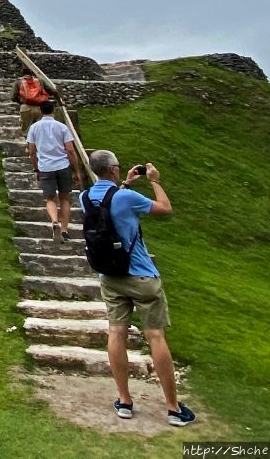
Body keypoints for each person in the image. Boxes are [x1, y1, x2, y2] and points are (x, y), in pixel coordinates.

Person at [83, 150, 196, 427]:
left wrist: (126, 183)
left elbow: (110, 203)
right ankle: (172, 407)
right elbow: (164, 208)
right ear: (113, 169)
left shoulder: (84, 197)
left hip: (109, 276)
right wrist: (155, 181)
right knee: (155, 336)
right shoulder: (128, 198)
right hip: (141, 275)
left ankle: (124, 400)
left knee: (116, 333)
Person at [27, 99, 83, 243]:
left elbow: (32, 151)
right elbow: (70, 150)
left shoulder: (34, 128)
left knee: (50, 198)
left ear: (40, 111)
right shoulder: (62, 127)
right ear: (53, 111)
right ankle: (64, 230)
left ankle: (54, 222)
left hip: (45, 167)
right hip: (63, 165)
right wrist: (76, 170)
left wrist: (36, 168)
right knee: (64, 198)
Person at [13, 71, 58, 137]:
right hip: (39, 108)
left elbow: (13, 97)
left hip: (25, 107)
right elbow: (53, 91)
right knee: (40, 130)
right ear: (33, 75)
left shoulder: (18, 82)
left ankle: (28, 145)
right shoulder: (40, 81)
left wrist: (21, 102)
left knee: (26, 130)